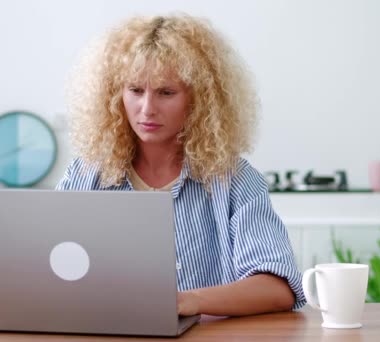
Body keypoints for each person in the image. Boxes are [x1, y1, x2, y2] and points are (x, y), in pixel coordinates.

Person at [56, 14, 305, 316]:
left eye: (166, 92)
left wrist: (191, 301)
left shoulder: (236, 180)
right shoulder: (85, 176)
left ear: (200, 100)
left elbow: (278, 288)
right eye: (135, 90)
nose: (147, 109)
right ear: (115, 95)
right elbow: (51, 273)